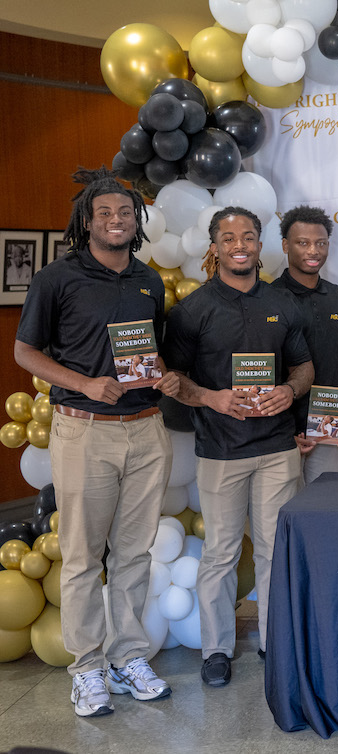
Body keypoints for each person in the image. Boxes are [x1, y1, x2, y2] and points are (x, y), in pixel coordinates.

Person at [14, 167, 179, 717]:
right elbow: (25, 352)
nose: (115, 220)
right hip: (84, 431)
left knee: (134, 553)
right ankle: (86, 667)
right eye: (104, 212)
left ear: (138, 222)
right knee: (84, 556)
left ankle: (127, 657)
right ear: (86, 221)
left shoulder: (147, 280)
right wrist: (85, 383)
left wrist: (161, 373)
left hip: (147, 428)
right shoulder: (56, 278)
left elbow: (149, 350)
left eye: (125, 213)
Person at [164, 206, 313, 688]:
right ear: (215, 247)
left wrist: (289, 392)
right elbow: (174, 382)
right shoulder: (192, 310)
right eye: (229, 239)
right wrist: (214, 398)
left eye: (249, 236)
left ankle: (274, 640)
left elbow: (304, 368)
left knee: (274, 550)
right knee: (221, 553)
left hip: (276, 448)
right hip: (220, 451)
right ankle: (216, 649)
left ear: (259, 242)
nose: (240, 245)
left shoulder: (282, 303)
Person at [270, 205, 338, 483]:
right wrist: (282, 427)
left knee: (325, 510)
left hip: (329, 423)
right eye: (302, 243)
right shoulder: (267, 297)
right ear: (285, 245)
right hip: (278, 427)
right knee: (282, 513)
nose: (313, 251)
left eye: (320, 243)